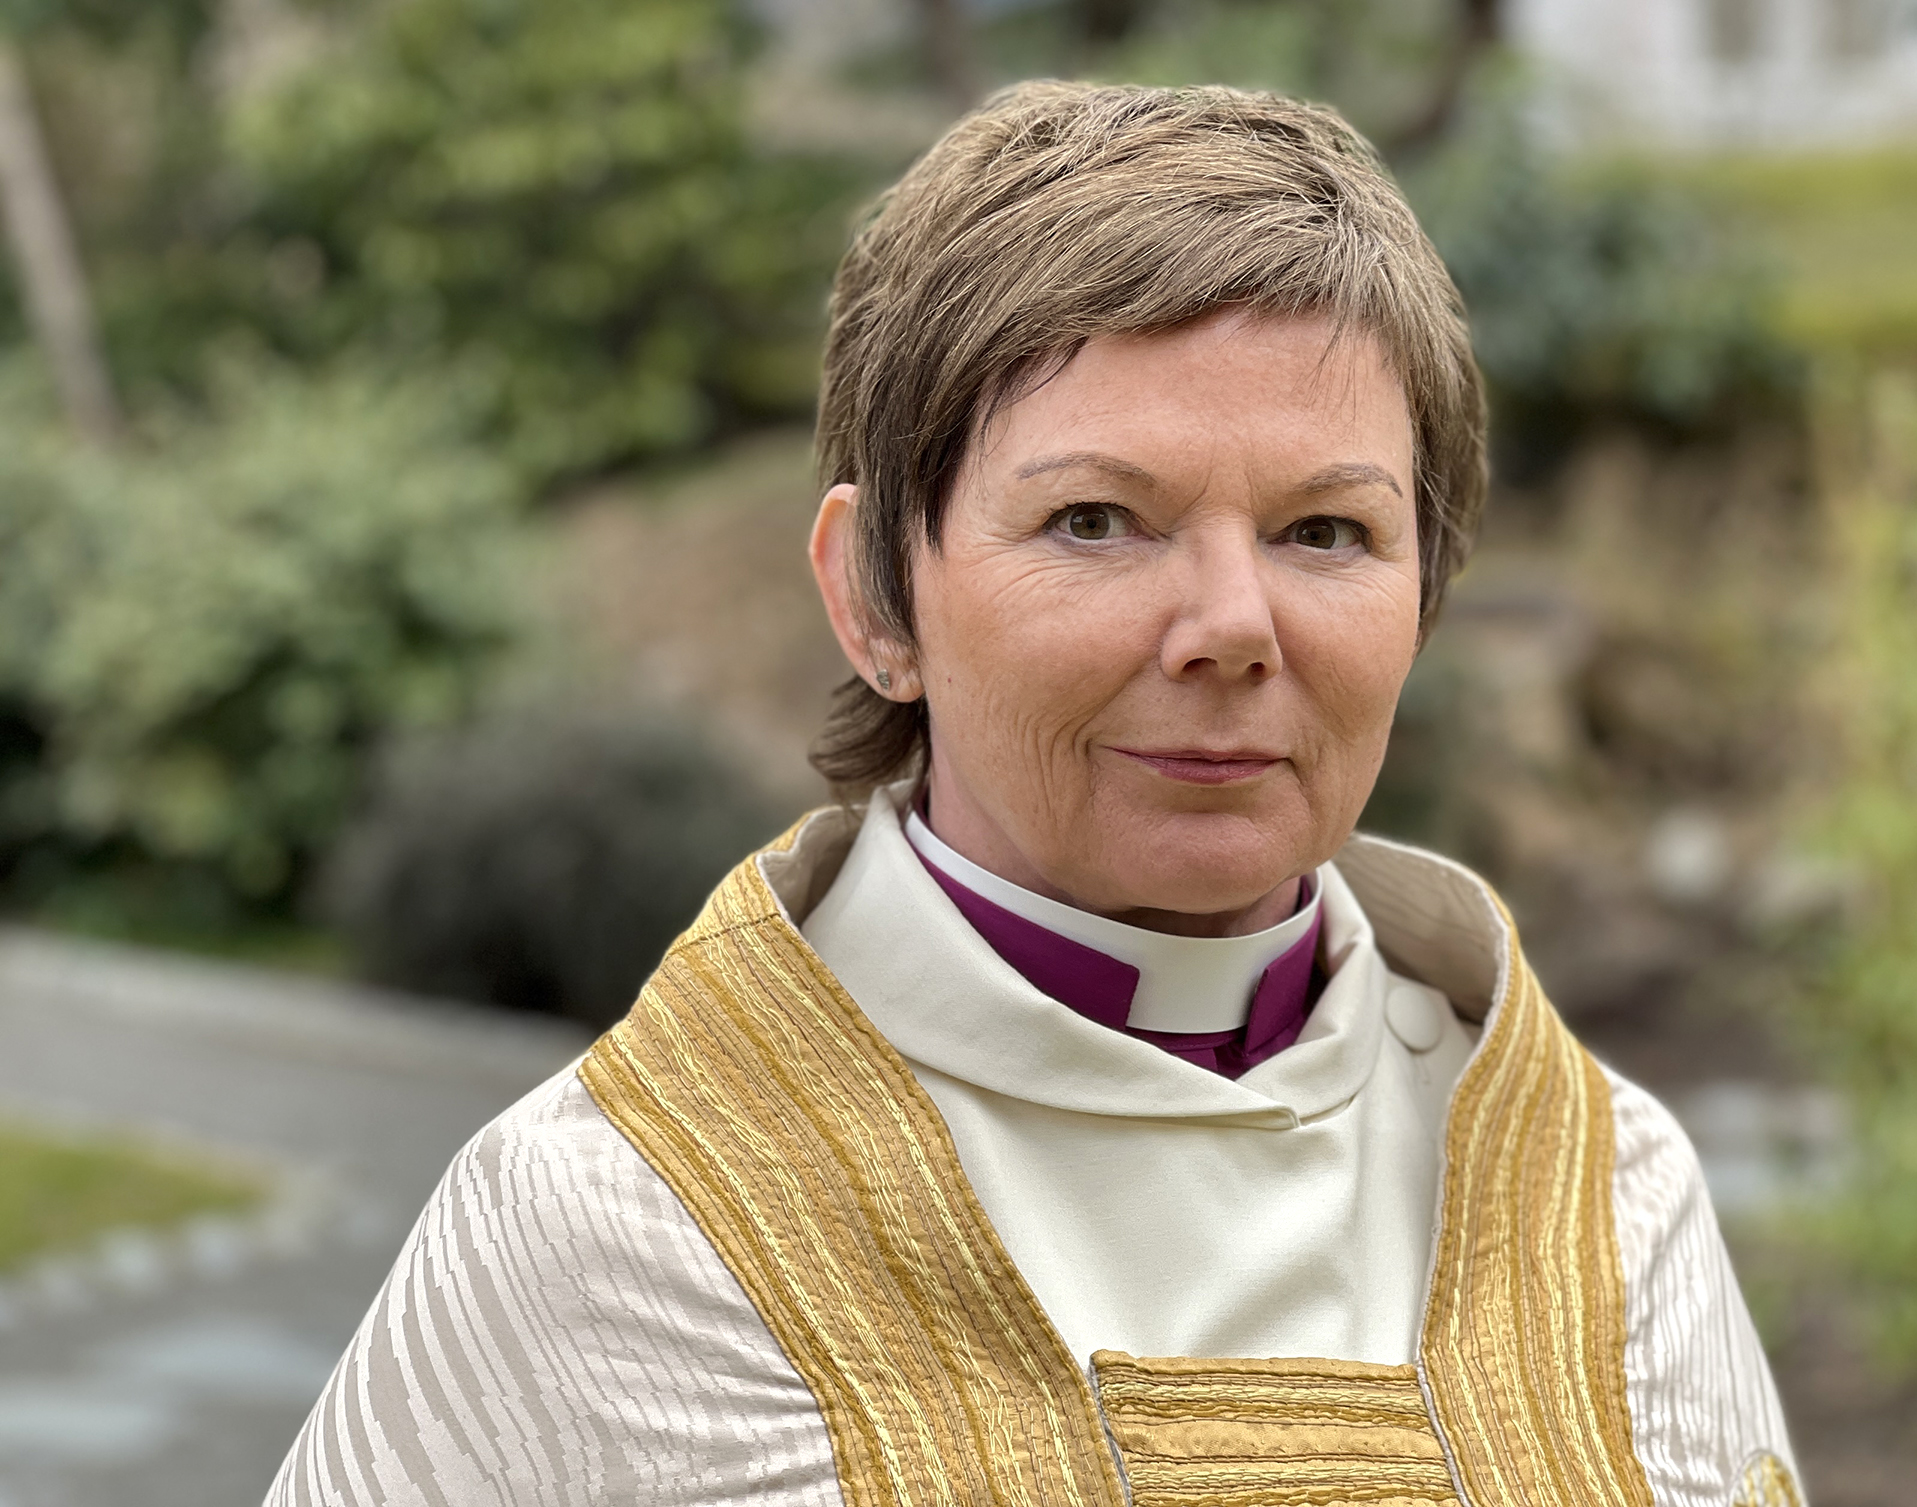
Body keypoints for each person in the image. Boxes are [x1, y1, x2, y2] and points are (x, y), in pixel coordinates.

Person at [266, 81, 1800, 1507]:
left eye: (1326, 533)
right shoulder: (619, 1230)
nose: (1231, 628)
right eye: (1095, 519)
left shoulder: (1606, 1195)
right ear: (876, 599)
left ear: (1428, 592)